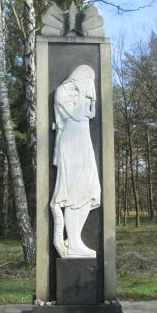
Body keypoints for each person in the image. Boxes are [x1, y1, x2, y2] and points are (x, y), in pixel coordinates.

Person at [50, 64, 101, 258]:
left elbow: (91, 114)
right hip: (71, 142)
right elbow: (77, 115)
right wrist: (82, 95)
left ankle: (73, 239)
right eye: (88, 81)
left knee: (91, 191)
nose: (90, 85)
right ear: (80, 78)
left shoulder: (83, 93)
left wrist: (91, 99)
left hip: (84, 141)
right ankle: (74, 244)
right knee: (73, 194)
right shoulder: (62, 92)